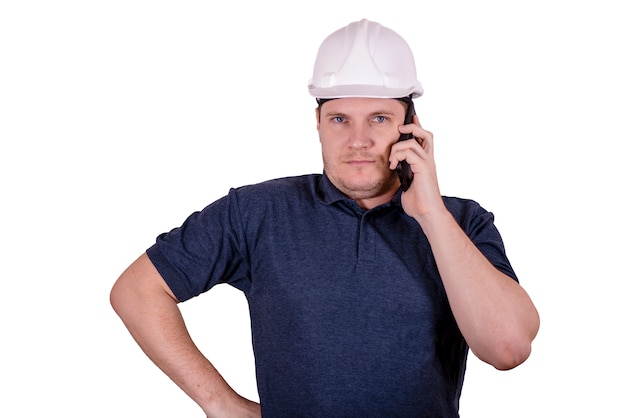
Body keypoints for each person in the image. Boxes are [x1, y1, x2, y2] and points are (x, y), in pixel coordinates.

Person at [110, 18, 540, 417]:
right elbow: (137, 291)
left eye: (379, 118)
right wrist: (221, 404)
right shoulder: (257, 212)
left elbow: (508, 348)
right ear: (317, 122)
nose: (358, 140)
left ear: (410, 127)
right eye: (339, 119)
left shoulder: (462, 222)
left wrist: (430, 213)